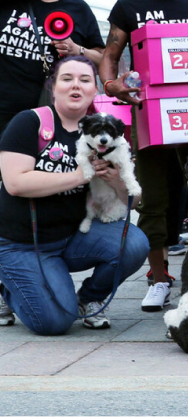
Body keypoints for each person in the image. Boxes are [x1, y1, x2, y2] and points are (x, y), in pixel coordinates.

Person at [100, 0, 188, 313]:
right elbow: (110, 55)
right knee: (153, 200)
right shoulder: (128, 5)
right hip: (150, 120)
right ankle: (159, 277)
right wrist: (112, 85)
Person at [0, 56, 149, 334]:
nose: (75, 86)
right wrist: (80, 176)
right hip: (22, 243)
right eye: (67, 79)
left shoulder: (108, 134)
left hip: (74, 236)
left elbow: (134, 202)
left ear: (96, 89)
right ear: (53, 87)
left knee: (134, 243)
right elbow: (15, 183)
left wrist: (118, 182)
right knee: (54, 323)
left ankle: (88, 299)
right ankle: (8, 286)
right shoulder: (29, 122)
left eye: (85, 80)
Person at [0, 0, 105, 131]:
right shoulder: (7, 2)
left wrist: (77, 50)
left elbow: (103, 60)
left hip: (56, 118)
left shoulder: (78, 9)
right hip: (4, 113)